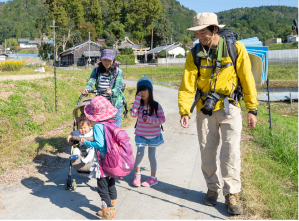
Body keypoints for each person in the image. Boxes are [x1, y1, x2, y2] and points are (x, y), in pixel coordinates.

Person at [178, 13, 258, 215]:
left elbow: (247, 79)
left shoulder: (235, 48)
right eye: (196, 32)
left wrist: (252, 108)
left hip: (230, 107)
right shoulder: (194, 53)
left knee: (230, 152)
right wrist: (184, 110)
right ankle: (212, 188)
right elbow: (188, 86)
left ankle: (232, 193)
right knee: (206, 152)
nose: (199, 36)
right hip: (205, 109)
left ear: (214, 29)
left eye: (202, 32)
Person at [81, 96, 119, 220]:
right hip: (113, 160)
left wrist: (86, 143)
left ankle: (107, 215)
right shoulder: (112, 123)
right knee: (111, 185)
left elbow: (100, 144)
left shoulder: (98, 126)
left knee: (102, 189)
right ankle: (112, 211)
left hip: (103, 162)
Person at [131, 75, 166, 187]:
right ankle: (137, 175)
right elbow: (132, 114)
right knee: (140, 154)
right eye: (140, 91)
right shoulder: (139, 105)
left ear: (150, 91)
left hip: (153, 135)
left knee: (152, 156)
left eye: (145, 90)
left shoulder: (156, 106)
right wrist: (137, 99)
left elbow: (162, 119)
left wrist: (150, 119)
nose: (143, 93)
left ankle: (153, 177)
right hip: (141, 134)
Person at [82, 49, 124, 128]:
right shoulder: (97, 70)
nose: (107, 63)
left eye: (109, 60)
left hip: (115, 103)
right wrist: (87, 88)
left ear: (113, 60)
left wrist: (112, 91)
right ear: (101, 60)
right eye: (105, 60)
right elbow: (92, 80)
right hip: (101, 105)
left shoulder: (118, 72)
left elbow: (118, 86)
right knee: (102, 126)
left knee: (115, 127)